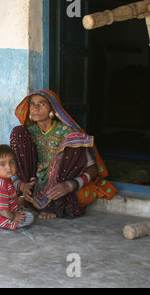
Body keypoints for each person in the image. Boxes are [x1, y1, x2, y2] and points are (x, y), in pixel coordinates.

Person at [10, 89, 117, 219]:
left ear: (52, 108)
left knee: (82, 195)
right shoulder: (27, 133)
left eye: (42, 103)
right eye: (32, 104)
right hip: (34, 184)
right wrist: (22, 185)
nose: (36, 108)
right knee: (18, 132)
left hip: (60, 184)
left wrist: (70, 185)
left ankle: (54, 203)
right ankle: (25, 196)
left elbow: (93, 168)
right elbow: (13, 165)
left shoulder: (67, 132)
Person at [0, 144, 34, 230]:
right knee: (29, 217)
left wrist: (16, 207)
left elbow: (7, 200)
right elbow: (2, 210)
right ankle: (9, 223)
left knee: (25, 212)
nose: (9, 167)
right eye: (3, 164)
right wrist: (14, 216)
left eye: (11, 162)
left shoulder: (4, 180)